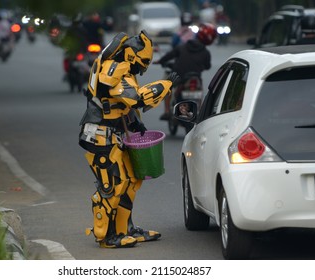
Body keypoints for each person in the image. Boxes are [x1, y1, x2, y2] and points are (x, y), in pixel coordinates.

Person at [79, 30, 179, 248]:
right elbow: (135, 98)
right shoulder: (113, 68)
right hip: (99, 136)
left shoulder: (122, 69)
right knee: (111, 187)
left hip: (113, 136)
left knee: (132, 181)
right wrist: (164, 86)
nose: (142, 69)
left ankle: (125, 230)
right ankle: (105, 236)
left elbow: (123, 105)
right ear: (132, 56)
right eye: (142, 63)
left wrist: (135, 123)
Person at [154, 23, 217, 120]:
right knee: (199, 89)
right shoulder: (206, 52)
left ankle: (167, 111)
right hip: (195, 78)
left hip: (179, 77)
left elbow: (169, 55)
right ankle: (199, 110)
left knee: (166, 88)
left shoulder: (182, 46)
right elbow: (207, 66)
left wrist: (160, 61)